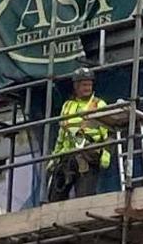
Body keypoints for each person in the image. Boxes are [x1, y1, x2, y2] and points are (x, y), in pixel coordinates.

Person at [46, 68, 120, 202]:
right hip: (67, 156)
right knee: (55, 196)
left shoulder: (98, 104)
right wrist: (55, 157)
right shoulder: (67, 106)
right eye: (84, 85)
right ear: (76, 86)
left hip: (87, 155)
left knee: (84, 198)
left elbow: (109, 132)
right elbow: (62, 134)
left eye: (89, 85)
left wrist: (106, 155)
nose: (88, 88)